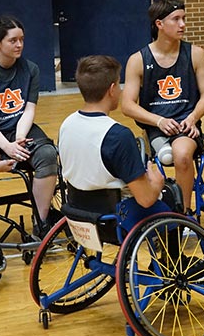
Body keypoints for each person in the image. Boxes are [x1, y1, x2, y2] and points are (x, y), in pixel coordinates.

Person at [121, 0, 204, 213]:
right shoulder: (138, 59)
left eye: (184, 19)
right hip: (156, 127)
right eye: (176, 19)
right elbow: (127, 105)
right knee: (165, 156)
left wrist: (193, 118)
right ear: (159, 24)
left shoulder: (195, 54)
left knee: (181, 154)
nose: (183, 24)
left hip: (186, 124)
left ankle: (185, 214)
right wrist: (159, 120)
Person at [0, 16, 58, 239]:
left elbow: (28, 110)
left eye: (22, 39)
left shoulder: (31, 69)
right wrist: (7, 147)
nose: (19, 45)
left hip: (19, 130)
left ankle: (41, 221)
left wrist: (18, 138)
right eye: (13, 40)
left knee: (48, 155)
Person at [58, 55, 166, 222]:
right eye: (119, 85)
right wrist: (157, 183)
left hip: (76, 211)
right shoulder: (118, 135)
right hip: (112, 217)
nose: (121, 91)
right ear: (111, 89)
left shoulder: (67, 124)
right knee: (172, 198)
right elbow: (146, 200)